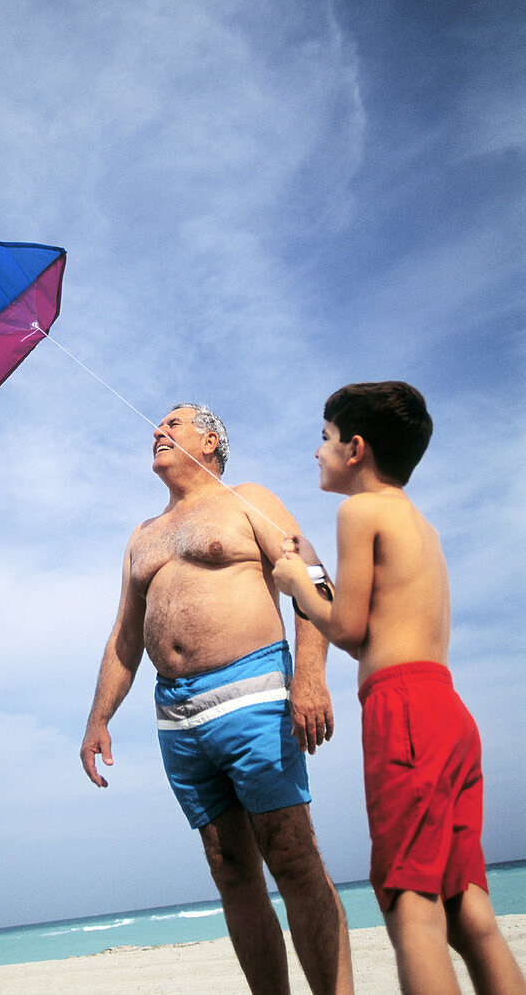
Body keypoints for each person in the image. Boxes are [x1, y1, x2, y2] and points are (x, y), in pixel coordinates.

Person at [81, 404, 353, 995]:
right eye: (159, 425)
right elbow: (125, 637)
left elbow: (314, 575)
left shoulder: (246, 498)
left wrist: (309, 675)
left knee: (292, 854)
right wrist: (98, 718)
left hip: (253, 691)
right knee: (229, 869)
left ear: (209, 441)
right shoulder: (141, 536)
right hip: (176, 716)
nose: (158, 430)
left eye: (172, 424)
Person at [273, 381, 526, 995]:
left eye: (325, 438)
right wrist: (314, 570)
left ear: (355, 448)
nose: (317, 452)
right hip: (447, 711)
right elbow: (371, 630)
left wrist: (296, 588)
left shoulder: (358, 511)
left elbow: (347, 629)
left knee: (408, 900)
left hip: (402, 710)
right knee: (468, 911)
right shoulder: (420, 525)